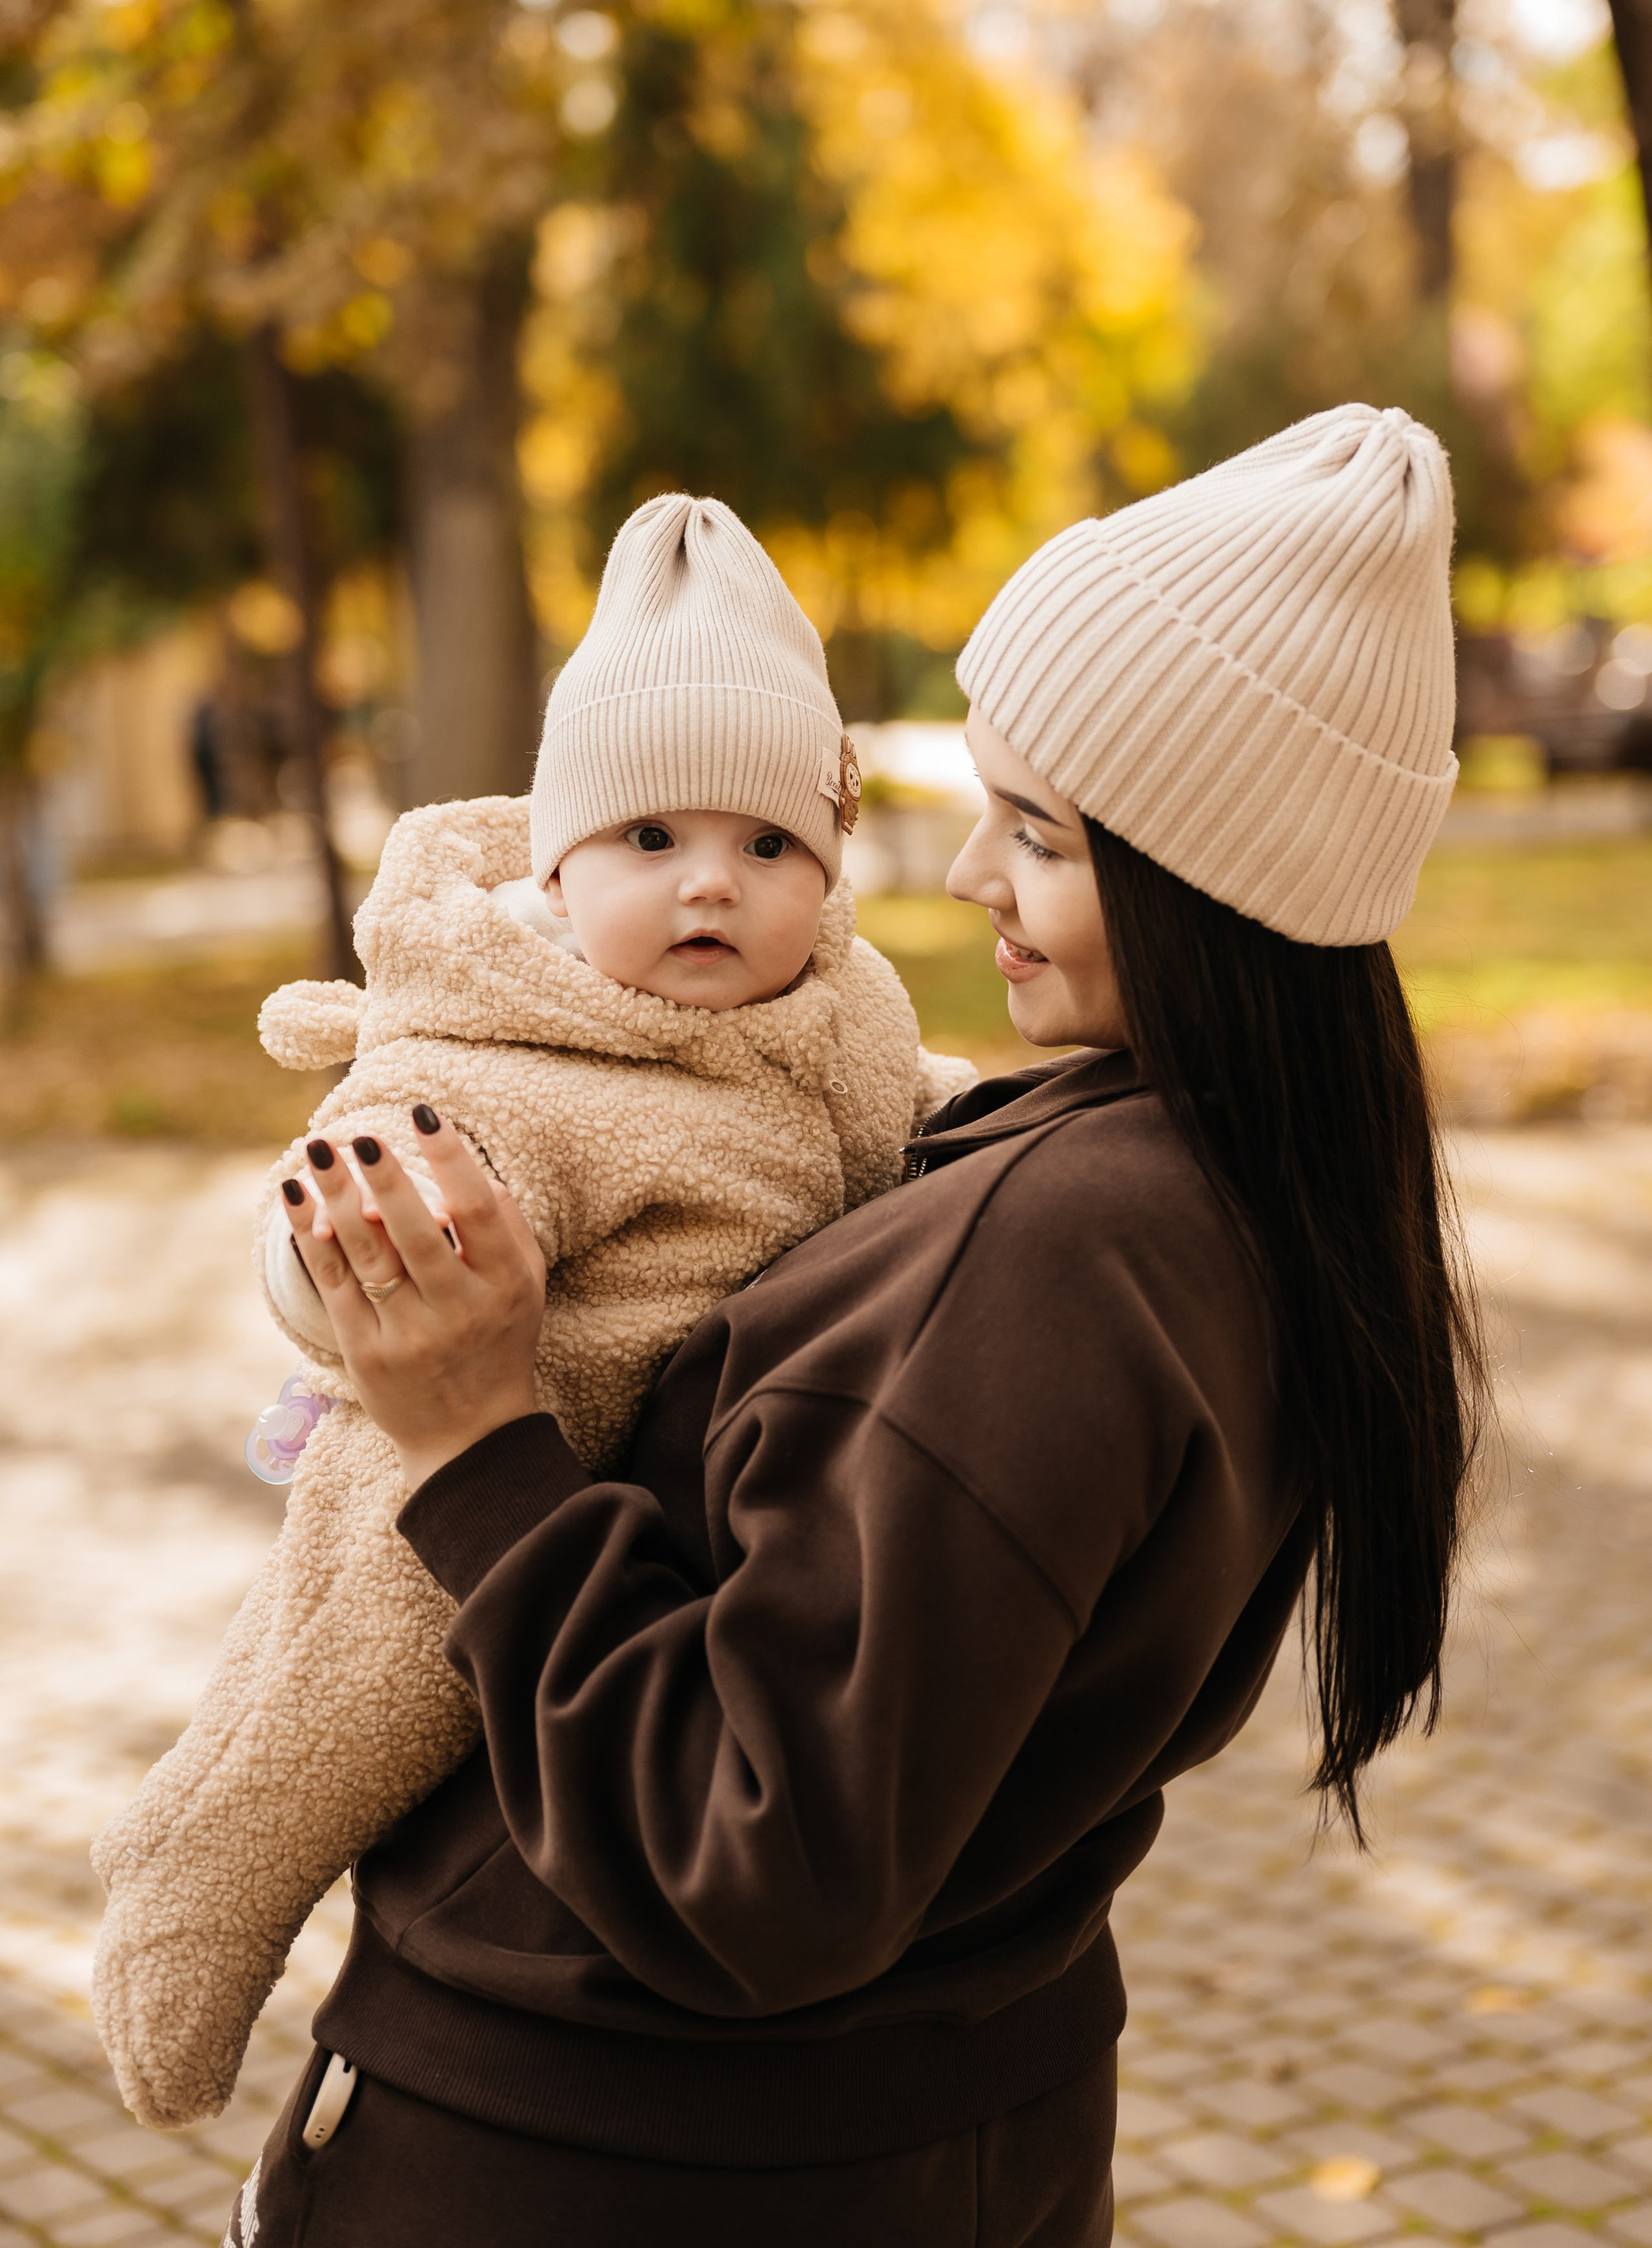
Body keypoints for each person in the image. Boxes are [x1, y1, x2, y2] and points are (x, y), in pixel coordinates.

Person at [223, 406, 1484, 2248]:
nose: (972, 874)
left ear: (1220, 883)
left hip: (625, 2165)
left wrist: (476, 1433)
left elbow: (763, 1859)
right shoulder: (1233, 1185)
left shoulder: (1068, 1260)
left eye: (1039, 831)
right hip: (902, 2134)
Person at [92, 494, 972, 2135]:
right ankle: (193, 1872)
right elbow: (376, 1177)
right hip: (468, 1436)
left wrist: (987, 1118)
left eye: (767, 845)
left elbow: (911, 1107)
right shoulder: (507, 1049)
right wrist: (354, 1245)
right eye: (652, 841)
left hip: (674, 1480)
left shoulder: (837, 1002)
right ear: (558, 865)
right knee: (346, 1705)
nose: (711, 886)